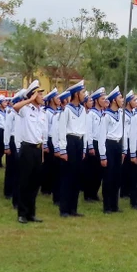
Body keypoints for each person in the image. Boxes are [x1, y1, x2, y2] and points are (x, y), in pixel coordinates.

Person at [13, 81, 47, 224]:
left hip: (38, 149)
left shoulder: (42, 112)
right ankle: (22, 213)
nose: (42, 96)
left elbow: (42, 134)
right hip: (27, 148)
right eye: (39, 93)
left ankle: (31, 213)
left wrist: (43, 153)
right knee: (24, 182)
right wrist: (30, 100)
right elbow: (15, 106)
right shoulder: (26, 109)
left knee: (35, 182)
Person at [55, 80, 88, 218]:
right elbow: (62, 131)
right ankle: (64, 209)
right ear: (75, 94)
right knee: (67, 177)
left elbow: (85, 129)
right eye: (82, 92)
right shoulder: (67, 110)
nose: (84, 95)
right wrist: (63, 150)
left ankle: (73, 208)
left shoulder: (82, 110)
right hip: (70, 142)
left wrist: (84, 147)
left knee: (76, 176)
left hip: (79, 142)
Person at [97, 87, 124, 213]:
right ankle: (107, 206)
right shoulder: (106, 116)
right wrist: (103, 155)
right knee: (108, 177)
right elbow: (102, 137)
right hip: (109, 145)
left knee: (117, 177)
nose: (122, 100)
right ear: (114, 100)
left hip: (118, 145)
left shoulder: (121, 114)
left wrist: (123, 150)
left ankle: (115, 205)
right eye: (120, 98)